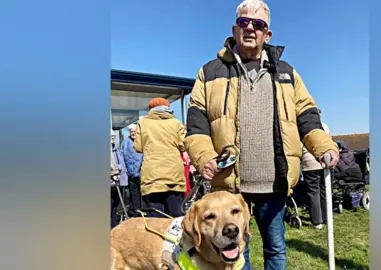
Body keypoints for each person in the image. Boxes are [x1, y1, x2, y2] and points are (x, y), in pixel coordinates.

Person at [184, 1, 340, 269]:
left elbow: (307, 115)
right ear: (235, 29)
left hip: (273, 181)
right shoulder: (209, 72)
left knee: (276, 246)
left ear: (267, 35)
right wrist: (205, 157)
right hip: (230, 184)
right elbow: (196, 123)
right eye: (244, 23)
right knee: (234, 247)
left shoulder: (287, 73)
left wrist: (324, 146)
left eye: (258, 25)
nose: (250, 29)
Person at [133, 97, 186, 218]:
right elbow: (183, 145)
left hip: (152, 176)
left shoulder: (143, 123)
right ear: (168, 108)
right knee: (176, 217)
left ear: (151, 109)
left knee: (155, 218)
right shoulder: (176, 123)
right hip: (174, 175)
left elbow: (138, 147)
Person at [301, 108, 331, 229]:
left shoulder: (303, 128)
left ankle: (317, 221)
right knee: (324, 191)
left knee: (313, 192)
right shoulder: (325, 127)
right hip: (324, 162)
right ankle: (326, 218)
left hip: (310, 164)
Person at [120, 124, 144, 214]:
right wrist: (124, 171)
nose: (133, 133)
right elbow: (121, 156)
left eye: (134, 131)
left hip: (142, 174)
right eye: (131, 132)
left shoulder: (142, 140)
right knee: (134, 197)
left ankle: (144, 213)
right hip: (131, 175)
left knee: (143, 196)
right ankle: (136, 214)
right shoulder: (125, 143)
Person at [111, 129, 128, 229]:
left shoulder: (115, 149)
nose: (113, 138)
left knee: (114, 208)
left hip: (116, 182)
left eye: (114, 137)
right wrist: (114, 172)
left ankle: (113, 227)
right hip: (110, 182)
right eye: (111, 137)